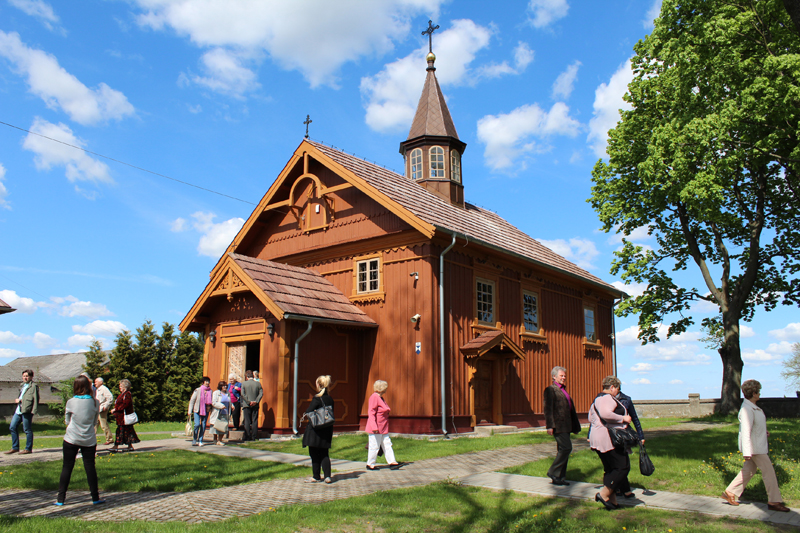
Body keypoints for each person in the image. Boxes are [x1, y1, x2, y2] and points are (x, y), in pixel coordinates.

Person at [722, 380, 790, 512]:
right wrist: (747, 452)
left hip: (755, 446)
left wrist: (763, 432)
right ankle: (774, 501)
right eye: (758, 391)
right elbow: (746, 431)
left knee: (749, 471)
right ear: (753, 393)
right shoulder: (747, 409)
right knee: (769, 473)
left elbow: (754, 428)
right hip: (755, 449)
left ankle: (730, 492)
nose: (759, 394)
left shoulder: (751, 407)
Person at [56, 376, 105, 506]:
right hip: (88, 439)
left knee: (67, 467)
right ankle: (95, 497)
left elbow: (67, 421)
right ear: (88, 387)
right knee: (90, 468)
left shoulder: (71, 402)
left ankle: (60, 499)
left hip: (71, 438)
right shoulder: (95, 402)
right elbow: (95, 422)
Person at [588, 375, 633, 511]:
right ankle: (603, 494)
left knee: (611, 469)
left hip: (599, 438)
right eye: (617, 390)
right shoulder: (606, 398)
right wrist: (623, 418)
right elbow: (606, 414)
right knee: (622, 467)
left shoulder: (597, 399)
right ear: (612, 387)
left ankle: (612, 502)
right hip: (609, 439)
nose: (617, 393)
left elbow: (591, 418)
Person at [542, 366, 580, 485]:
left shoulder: (563, 390)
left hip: (566, 425)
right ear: (554, 377)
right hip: (558, 425)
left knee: (562, 450)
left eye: (564, 376)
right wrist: (550, 426)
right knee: (566, 448)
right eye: (561, 376)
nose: (564, 378)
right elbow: (548, 409)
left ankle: (559, 478)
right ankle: (553, 471)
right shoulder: (551, 390)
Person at [302, 375, 334, 484]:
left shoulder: (317, 398)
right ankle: (327, 476)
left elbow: (309, 411)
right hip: (327, 430)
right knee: (324, 453)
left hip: (315, 431)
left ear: (318, 385)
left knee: (314, 453)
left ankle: (316, 476)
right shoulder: (330, 398)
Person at [365, 380, 403, 470]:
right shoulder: (374, 397)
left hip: (383, 427)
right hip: (376, 427)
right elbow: (371, 412)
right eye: (385, 387)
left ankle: (392, 462)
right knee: (374, 446)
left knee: (387, 444)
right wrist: (374, 426)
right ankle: (370, 463)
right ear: (382, 388)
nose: (386, 389)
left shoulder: (380, 397)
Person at [615, 387, 644, 498]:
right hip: (611, 434)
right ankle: (621, 488)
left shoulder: (626, 399)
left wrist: (641, 436)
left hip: (624, 435)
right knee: (618, 463)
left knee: (624, 463)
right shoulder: (606, 399)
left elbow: (635, 418)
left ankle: (621, 487)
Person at [5, 369, 39, 455]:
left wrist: (33, 410)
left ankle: (28, 448)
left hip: (27, 410)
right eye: (24, 376)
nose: (25, 378)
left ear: (31, 377)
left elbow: (36, 398)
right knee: (12, 427)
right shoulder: (22, 386)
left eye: (27, 376)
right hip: (19, 410)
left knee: (27, 429)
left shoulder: (33, 386)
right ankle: (15, 447)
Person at [110, 379, 140, 452]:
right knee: (127, 431)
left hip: (124, 417)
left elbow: (125, 404)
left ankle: (116, 446)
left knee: (121, 431)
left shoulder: (127, 394)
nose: (119, 387)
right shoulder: (122, 394)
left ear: (125, 387)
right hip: (121, 417)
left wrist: (116, 409)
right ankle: (129, 446)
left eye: (121, 386)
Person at [188, 377, 213, 447]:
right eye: (206, 381)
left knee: (203, 425)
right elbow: (192, 401)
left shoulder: (210, 391)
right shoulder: (198, 390)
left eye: (208, 381)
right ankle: (194, 439)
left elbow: (212, 402)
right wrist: (189, 411)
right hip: (197, 410)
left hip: (206, 410)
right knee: (197, 424)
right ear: (203, 382)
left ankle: (200, 440)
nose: (207, 383)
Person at [240, 370, 263, 441]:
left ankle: (247, 436)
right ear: (253, 376)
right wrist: (256, 401)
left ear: (247, 377)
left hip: (247, 405)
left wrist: (248, 401)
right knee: (254, 420)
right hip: (255, 405)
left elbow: (243, 394)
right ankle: (254, 436)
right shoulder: (258, 384)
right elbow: (261, 393)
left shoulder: (244, 384)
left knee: (247, 420)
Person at [95, 377, 115, 445]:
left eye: (96, 382)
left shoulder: (104, 389)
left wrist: (106, 406)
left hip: (102, 409)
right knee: (94, 425)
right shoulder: (97, 390)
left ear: (101, 382)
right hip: (97, 409)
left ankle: (109, 439)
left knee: (103, 425)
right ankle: (91, 439)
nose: (95, 383)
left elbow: (110, 398)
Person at [209, 381, 229, 446]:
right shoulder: (216, 393)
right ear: (220, 387)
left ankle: (220, 440)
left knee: (223, 426)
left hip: (225, 412)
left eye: (226, 385)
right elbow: (214, 402)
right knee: (215, 426)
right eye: (223, 386)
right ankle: (215, 439)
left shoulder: (228, 393)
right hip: (217, 412)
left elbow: (229, 402)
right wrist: (221, 406)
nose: (225, 387)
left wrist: (232, 406)